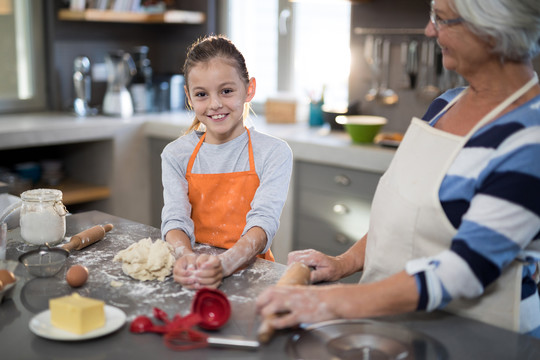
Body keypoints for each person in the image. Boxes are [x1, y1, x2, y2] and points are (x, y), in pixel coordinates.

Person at [257, 0, 540, 337]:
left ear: (492, 30)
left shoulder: (529, 140)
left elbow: (464, 271)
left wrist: (331, 302)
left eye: (443, 20)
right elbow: (400, 215)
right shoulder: (445, 104)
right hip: (396, 323)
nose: (429, 30)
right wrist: (344, 263)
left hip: (480, 336)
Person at [161, 35, 293, 289]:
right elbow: (175, 219)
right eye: (202, 94)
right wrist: (186, 258)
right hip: (195, 274)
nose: (215, 104)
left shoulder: (274, 153)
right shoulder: (176, 155)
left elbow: (263, 222)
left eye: (227, 91)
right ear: (189, 97)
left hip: (252, 276)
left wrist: (227, 262)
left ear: (249, 89)